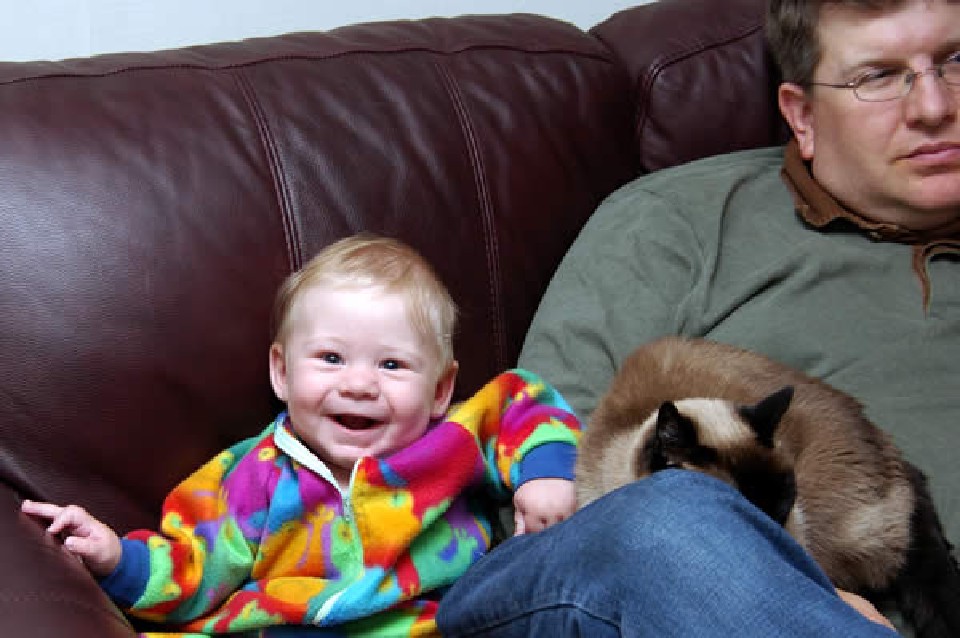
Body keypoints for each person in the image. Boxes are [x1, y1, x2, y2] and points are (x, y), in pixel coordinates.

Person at [436, 0, 958, 635]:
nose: (933, 106)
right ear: (802, 115)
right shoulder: (676, 223)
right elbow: (543, 475)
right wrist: (781, 592)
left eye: (956, 61)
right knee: (668, 505)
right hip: (691, 584)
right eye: (877, 76)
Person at [20, 235, 582, 637]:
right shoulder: (253, 476)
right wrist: (116, 558)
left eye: (391, 365)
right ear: (282, 373)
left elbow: (523, 403)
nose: (359, 385)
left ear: (439, 390)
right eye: (331, 358)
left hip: (430, 623)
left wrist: (546, 476)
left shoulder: (453, 441)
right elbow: (195, 562)